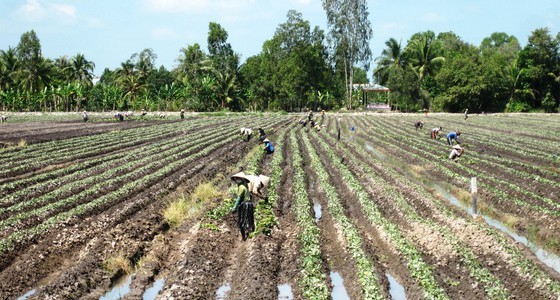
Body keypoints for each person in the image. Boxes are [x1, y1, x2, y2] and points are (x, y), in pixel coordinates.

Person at [230, 172, 254, 240]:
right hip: (249, 204)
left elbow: (239, 198)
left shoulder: (241, 187)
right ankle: (251, 231)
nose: (236, 180)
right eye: (236, 178)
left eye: (237, 178)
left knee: (241, 222)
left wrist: (234, 208)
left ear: (241, 179)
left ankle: (243, 237)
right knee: (250, 218)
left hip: (245, 205)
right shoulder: (245, 186)